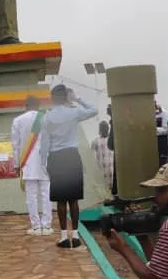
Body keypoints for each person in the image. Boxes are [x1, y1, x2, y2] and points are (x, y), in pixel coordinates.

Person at [39, 84, 98, 248]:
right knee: (73, 199)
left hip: (56, 157)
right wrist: (77, 98)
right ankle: (76, 235)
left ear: (52, 99)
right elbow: (93, 110)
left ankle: (64, 236)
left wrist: (43, 162)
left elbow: (44, 143)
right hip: (72, 156)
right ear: (66, 97)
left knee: (60, 199)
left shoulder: (47, 118)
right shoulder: (74, 112)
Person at [11, 96, 52, 235]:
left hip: (27, 161)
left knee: (31, 196)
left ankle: (36, 227)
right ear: (38, 105)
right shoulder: (46, 118)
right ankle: (47, 226)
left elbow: (15, 145)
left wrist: (16, 164)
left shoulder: (18, 120)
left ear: (26, 105)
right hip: (45, 161)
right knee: (46, 194)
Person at [91, 120, 114, 194]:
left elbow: (92, 159)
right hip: (107, 173)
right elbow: (93, 159)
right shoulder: (111, 141)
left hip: (107, 173)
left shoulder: (96, 141)